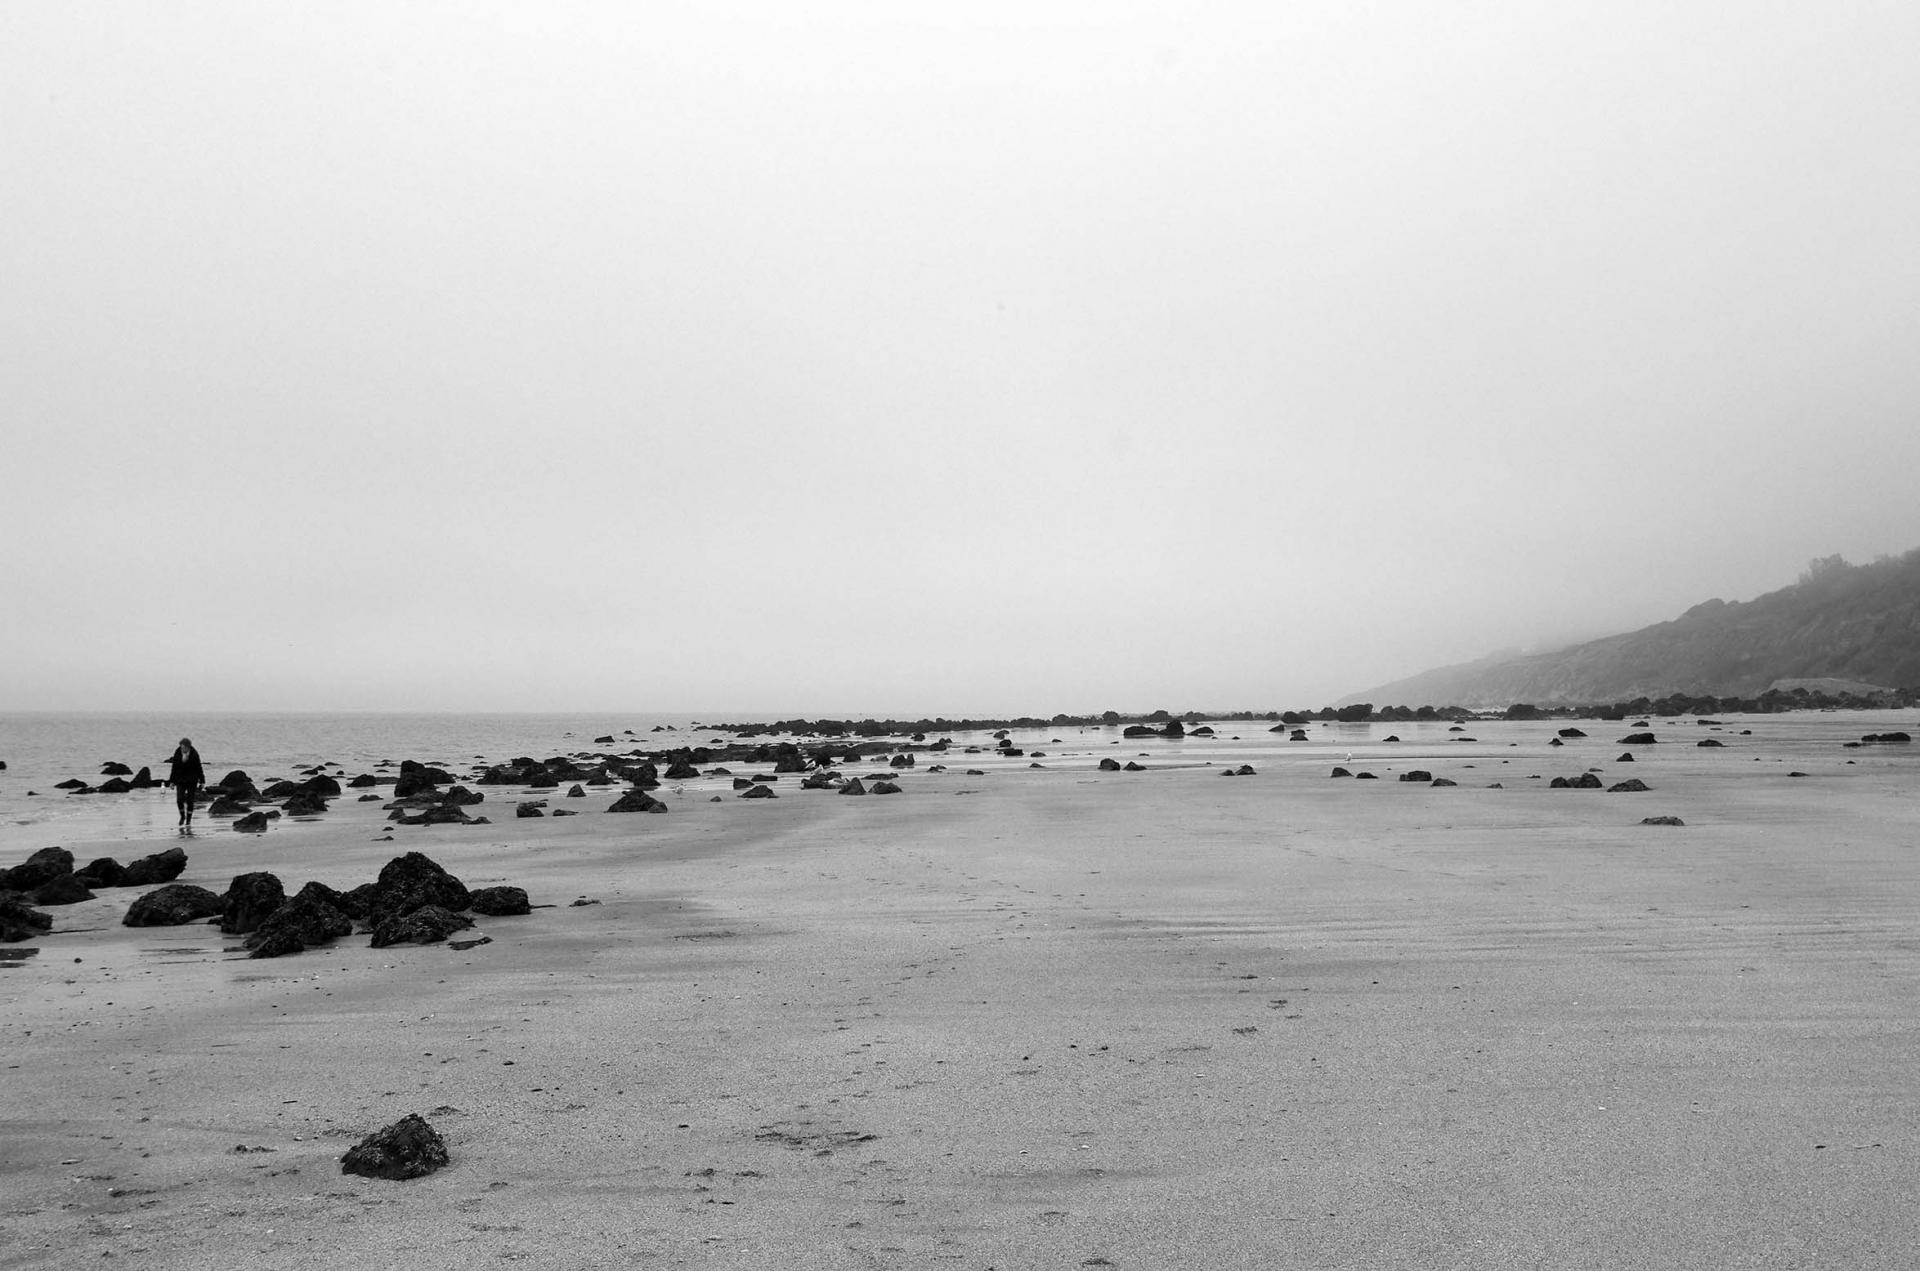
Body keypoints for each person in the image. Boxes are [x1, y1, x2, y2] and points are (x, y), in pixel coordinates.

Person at [167, 737, 206, 829]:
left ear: (188, 747)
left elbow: (199, 768)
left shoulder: (194, 754)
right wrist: (171, 781)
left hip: (191, 780)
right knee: (179, 800)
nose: (182, 748)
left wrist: (202, 780)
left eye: (183, 747)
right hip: (180, 780)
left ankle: (188, 820)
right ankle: (182, 816)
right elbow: (174, 768)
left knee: (190, 801)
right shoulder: (177, 753)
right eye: (181, 746)